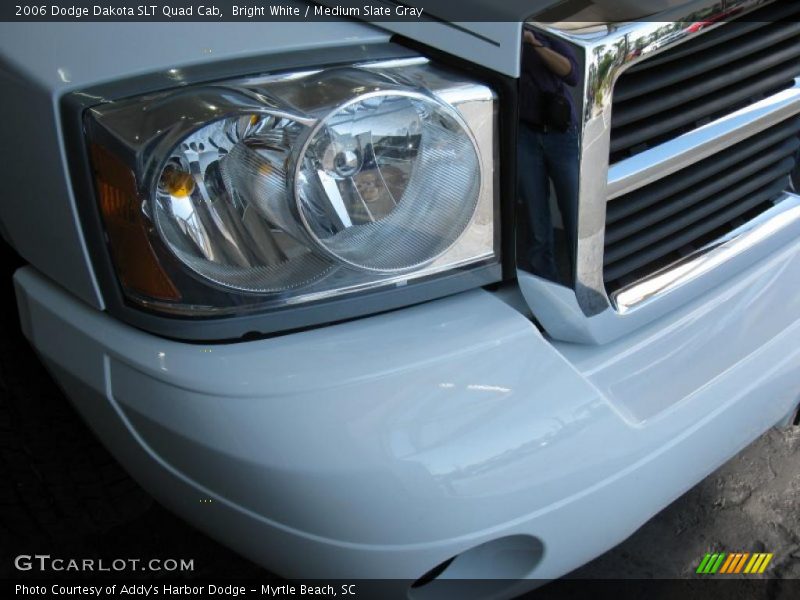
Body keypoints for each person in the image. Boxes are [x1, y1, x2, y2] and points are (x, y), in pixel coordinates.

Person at [518, 28, 581, 282]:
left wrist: (534, 44)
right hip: (525, 133)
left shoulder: (542, 28)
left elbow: (572, 73)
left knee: (573, 211)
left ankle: (582, 277)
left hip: (560, 134)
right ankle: (545, 280)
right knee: (536, 214)